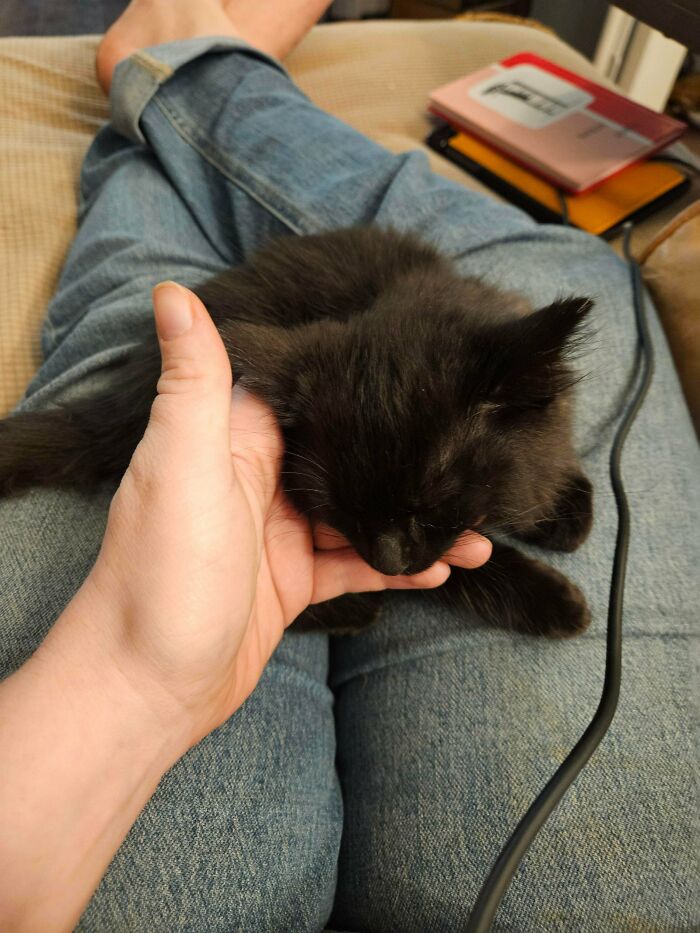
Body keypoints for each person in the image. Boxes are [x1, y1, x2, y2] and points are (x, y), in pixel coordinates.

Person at [0, 1, 697, 930]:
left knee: (145, 282)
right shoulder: (329, 392)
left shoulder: (485, 386)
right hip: (290, 341)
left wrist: (136, 678)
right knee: (162, 323)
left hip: (371, 303)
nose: (396, 552)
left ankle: (166, 88)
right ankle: (189, 79)